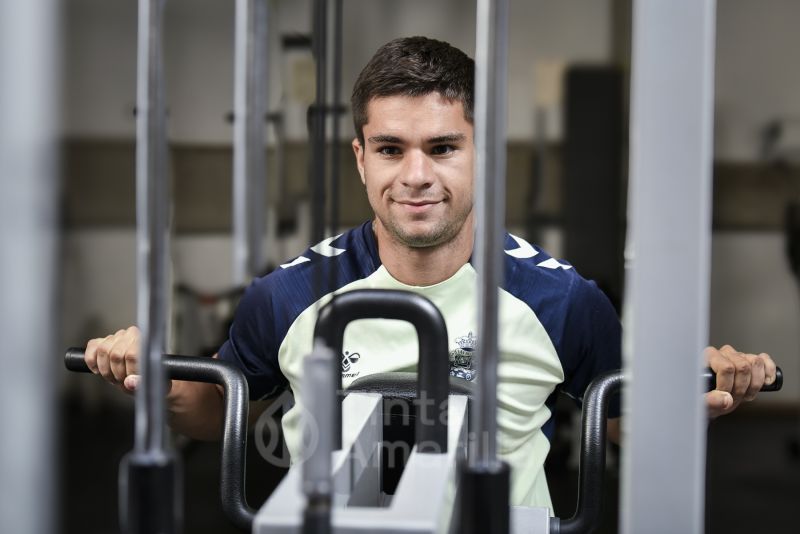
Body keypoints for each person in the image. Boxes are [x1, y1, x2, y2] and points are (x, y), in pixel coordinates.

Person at [83, 36, 778, 510]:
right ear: (361, 158)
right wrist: (154, 379)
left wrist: (700, 394)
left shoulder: (561, 300)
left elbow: (623, 422)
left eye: (443, 147)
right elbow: (216, 411)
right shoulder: (289, 293)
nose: (416, 176)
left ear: (482, 154)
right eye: (391, 149)